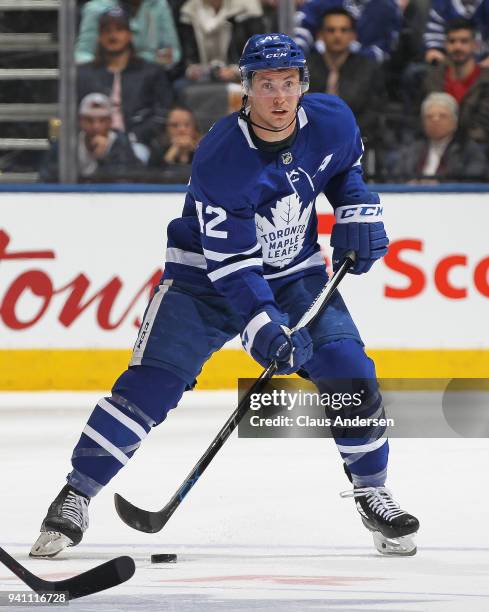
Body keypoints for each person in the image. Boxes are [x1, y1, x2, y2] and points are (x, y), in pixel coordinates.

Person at [31, 33, 419, 560]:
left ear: (302, 85)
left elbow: (342, 168)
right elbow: (232, 265)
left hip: (293, 273)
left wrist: (356, 207)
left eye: (288, 84)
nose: (279, 98)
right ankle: (76, 494)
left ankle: (374, 492)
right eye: (266, 85)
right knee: (151, 386)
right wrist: (262, 327)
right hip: (203, 280)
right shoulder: (222, 156)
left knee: (349, 369)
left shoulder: (331, 119)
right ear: (246, 90)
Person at [77, 7, 173, 146]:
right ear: (99, 36)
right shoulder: (83, 74)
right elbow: (74, 114)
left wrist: (133, 137)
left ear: (130, 35)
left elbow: (162, 113)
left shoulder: (151, 72)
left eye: (119, 29)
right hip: (90, 143)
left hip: (138, 143)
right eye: (107, 31)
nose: (113, 35)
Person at [307, 7, 386, 145]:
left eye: (344, 30)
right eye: (331, 30)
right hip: (311, 141)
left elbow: (375, 111)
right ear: (320, 35)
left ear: (353, 36)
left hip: (356, 141)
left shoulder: (368, 68)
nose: (337, 35)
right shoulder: (306, 67)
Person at [39, 93, 150, 182]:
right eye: (89, 120)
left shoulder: (122, 143)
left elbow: (127, 180)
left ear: (110, 122)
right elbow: (47, 177)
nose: (96, 126)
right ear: (80, 121)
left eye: (102, 120)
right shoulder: (65, 144)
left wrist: (104, 158)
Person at [381, 92, 487, 181]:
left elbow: (473, 179)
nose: (435, 121)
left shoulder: (469, 150)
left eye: (442, 116)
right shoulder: (411, 149)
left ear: (455, 122)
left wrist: (440, 185)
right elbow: (396, 178)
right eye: (429, 117)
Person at [423, 19, 489, 148]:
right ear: (445, 45)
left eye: (464, 41)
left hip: (474, 149)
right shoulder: (433, 78)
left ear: (475, 45)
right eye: (452, 41)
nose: (457, 47)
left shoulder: (486, 82)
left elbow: (483, 128)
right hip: (435, 145)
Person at [76, 0, 182, 68]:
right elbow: (82, 55)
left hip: (148, 73)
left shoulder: (158, 4)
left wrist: (167, 59)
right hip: (105, 72)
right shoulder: (95, 9)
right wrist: (105, 66)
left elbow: (174, 52)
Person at [293, 0, 402, 63]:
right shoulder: (322, 2)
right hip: (319, 67)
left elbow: (386, 51)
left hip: (365, 75)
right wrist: (300, 56)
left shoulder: (387, 8)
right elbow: (302, 29)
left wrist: (356, 53)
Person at [423, 0, 489, 67]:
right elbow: (432, 52)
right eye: (452, 41)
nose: (458, 46)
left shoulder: (486, 5)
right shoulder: (441, 6)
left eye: (464, 41)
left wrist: (478, 71)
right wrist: (449, 69)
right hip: (449, 69)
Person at [149, 105, 201, 172]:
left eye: (187, 125)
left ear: (195, 128)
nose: (181, 129)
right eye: (174, 125)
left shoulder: (205, 150)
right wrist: (172, 152)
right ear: (167, 129)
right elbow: (152, 177)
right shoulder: (157, 151)